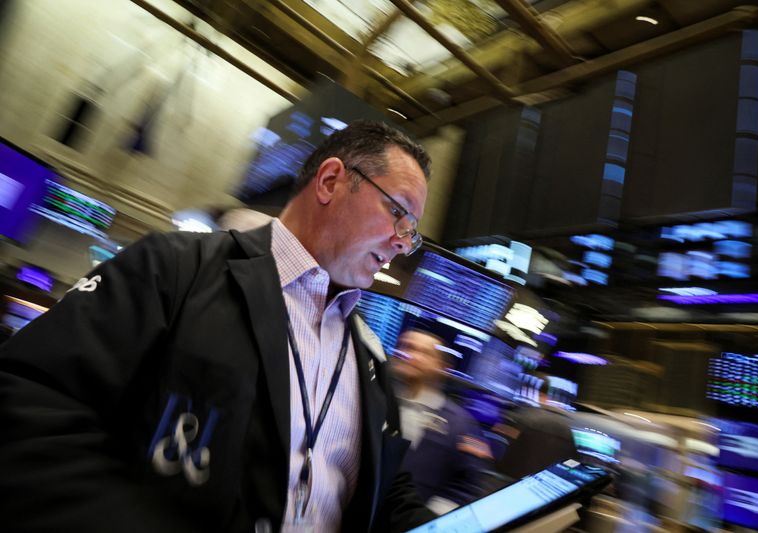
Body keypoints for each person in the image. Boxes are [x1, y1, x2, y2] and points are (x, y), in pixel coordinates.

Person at [0, 120, 435, 533]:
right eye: (397, 211)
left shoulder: (369, 351)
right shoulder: (174, 268)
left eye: (411, 231)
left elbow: (388, 487)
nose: (402, 240)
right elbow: (31, 402)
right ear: (330, 182)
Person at [391, 328, 491, 515]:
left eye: (424, 352)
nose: (411, 355)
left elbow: (466, 484)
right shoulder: (375, 402)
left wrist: (428, 520)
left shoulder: (462, 424)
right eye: (406, 347)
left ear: (441, 367)